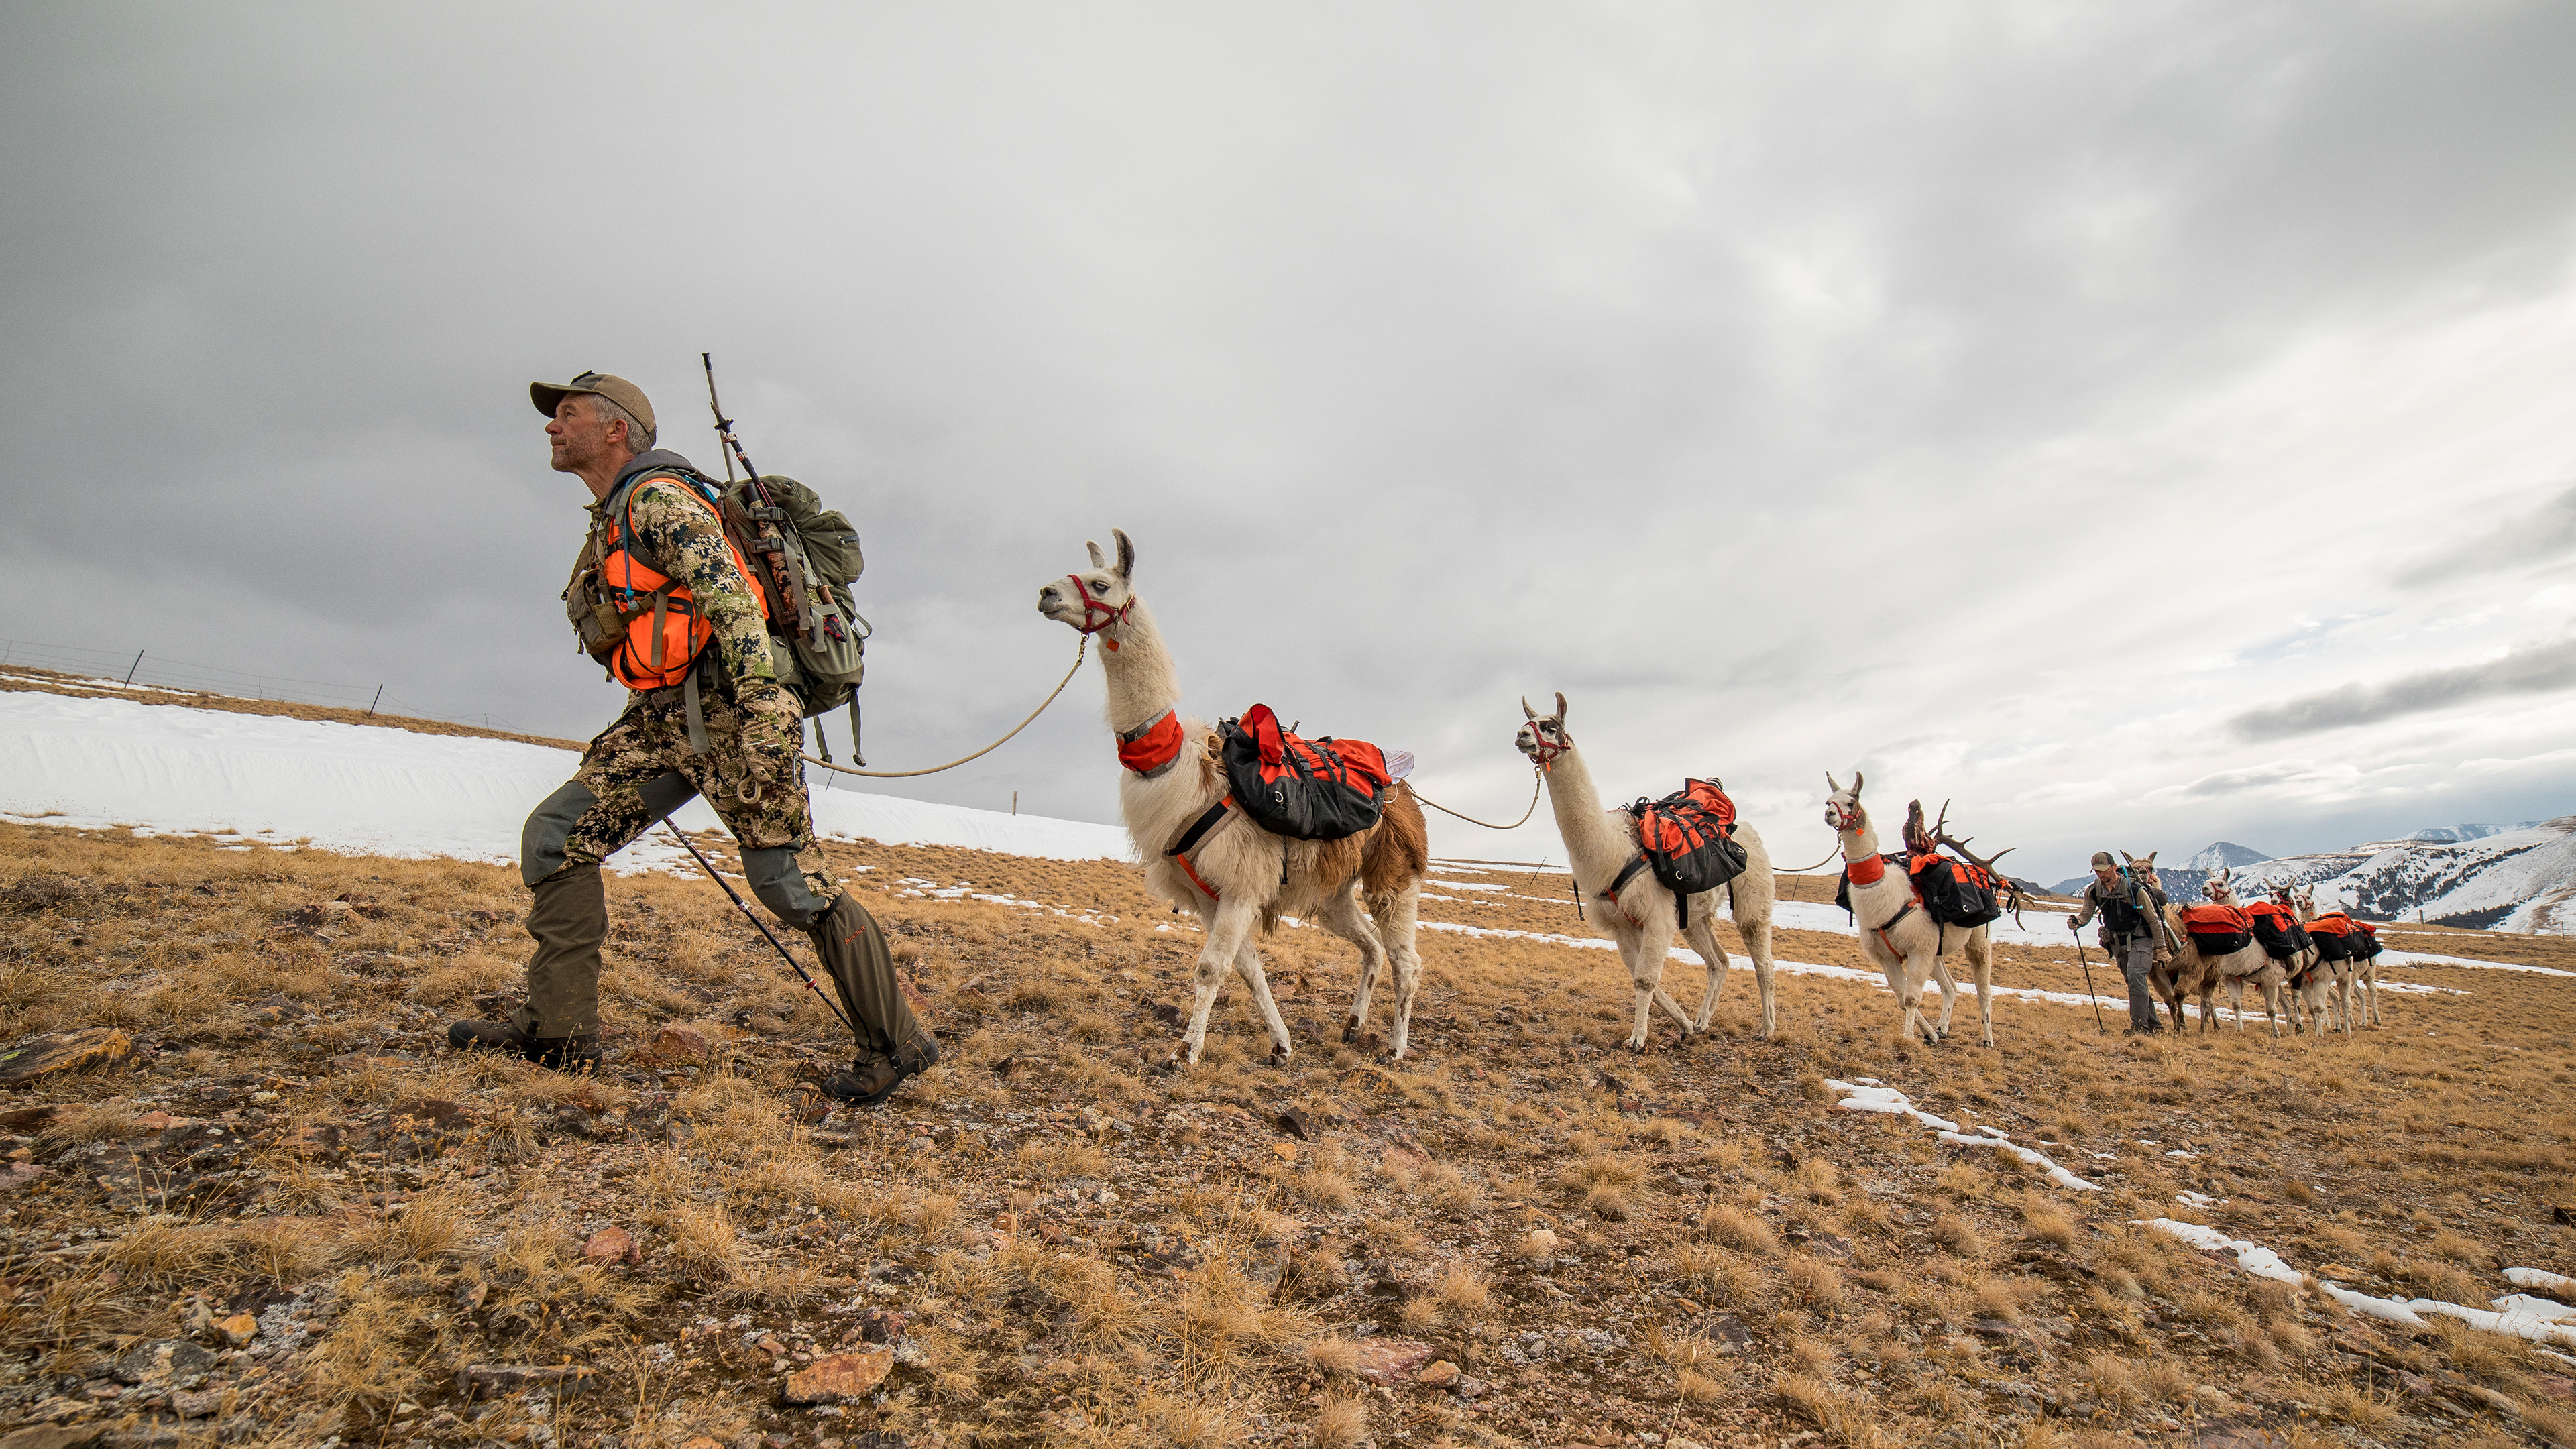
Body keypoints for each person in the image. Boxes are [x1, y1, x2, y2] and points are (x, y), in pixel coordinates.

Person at [446, 371, 938, 1104]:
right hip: (667, 716)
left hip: (738, 712)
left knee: (790, 884)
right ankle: (559, 1033)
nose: (552, 427)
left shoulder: (658, 499)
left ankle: (900, 1044)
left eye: (568, 415)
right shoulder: (616, 510)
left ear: (615, 429)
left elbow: (731, 599)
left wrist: (754, 712)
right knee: (557, 836)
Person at [2068, 850, 2170, 1035]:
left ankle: (2140, 1028)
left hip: (2141, 939)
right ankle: (2155, 1026)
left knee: (2135, 975)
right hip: (2118, 942)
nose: (2101, 874)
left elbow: (2154, 919)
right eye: (2097, 871)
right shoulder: (2094, 890)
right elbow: (2087, 913)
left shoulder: (2135, 889)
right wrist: (2078, 921)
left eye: (2104, 870)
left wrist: (2161, 948)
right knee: (2134, 981)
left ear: (2114, 867)